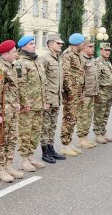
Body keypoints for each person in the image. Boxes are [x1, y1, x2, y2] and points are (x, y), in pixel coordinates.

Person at [0, 40, 24, 183]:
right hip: (3, 111)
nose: (16, 54)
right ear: (5, 54)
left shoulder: (11, 66)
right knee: (1, 139)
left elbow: (14, 88)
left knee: (12, 138)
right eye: (14, 52)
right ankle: (0, 169)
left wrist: (18, 103)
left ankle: (8, 164)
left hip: (12, 109)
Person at [15, 35, 48, 171]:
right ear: (23, 47)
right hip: (27, 105)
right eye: (31, 44)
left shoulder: (37, 61)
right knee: (25, 132)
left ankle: (30, 157)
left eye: (34, 43)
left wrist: (45, 101)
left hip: (39, 103)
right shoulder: (20, 63)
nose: (34, 46)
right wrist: (25, 103)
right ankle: (23, 160)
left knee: (36, 131)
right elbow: (20, 85)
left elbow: (43, 83)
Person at [40, 34, 66, 163]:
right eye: (58, 43)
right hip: (49, 98)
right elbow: (42, 80)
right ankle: (44, 152)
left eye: (61, 44)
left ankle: (51, 149)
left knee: (53, 125)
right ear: (50, 44)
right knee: (45, 125)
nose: (60, 45)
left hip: (57, 97)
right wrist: (45, 100)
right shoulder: (45, 58)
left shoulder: (58, 58)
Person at [60, 33, 86, 156]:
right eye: (82, 43)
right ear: (77, 43)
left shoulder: (78, 54)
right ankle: (65, 145)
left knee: (74, 118)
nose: (84, 45)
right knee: (69, 118)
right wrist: (70, 91)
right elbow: (66, 74)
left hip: (77, 91)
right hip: (71, 93)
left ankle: (69, 142)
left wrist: (81, 92)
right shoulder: (67, 55)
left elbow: (80, 74)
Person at [77, 39, 99, 149]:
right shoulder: (81, 59)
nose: (92, 48)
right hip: (85, 93)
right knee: (83, 116)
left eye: (93, 46)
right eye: (90, 47)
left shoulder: (92, 59)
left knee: (89, 116)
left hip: (92, 93)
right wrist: (81, 93)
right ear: (84, 47)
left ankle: (85, 137)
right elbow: (80, 78)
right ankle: (81, 139)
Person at [93, 42, 112, 144]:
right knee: (99, 114)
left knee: (106, 114)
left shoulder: (107, 62)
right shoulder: (97, 62)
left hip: (109, 93)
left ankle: (103, 132)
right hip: (101, 93)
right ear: (101, 50)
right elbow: (96, 79)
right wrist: (97, 93)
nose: (108, 52)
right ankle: (98, 134)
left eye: (109, 50)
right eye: (105, 50)